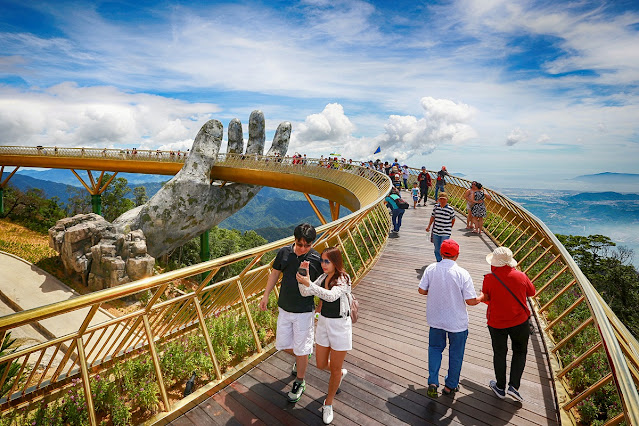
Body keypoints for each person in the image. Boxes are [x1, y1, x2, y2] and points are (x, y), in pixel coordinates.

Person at [259, 223, 322, 403]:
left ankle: (300, 381)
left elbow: (324, 285)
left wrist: (320, 305)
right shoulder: (284, 253)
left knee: (301, 349)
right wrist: (266, 295)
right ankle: (302, 356)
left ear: (312, 243)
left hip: (303, 311)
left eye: (307, 245)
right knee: (283, 344)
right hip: (284, 307)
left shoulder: (316, 259)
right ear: (294, 240)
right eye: (299, 244)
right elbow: (274, 274)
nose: (302, 248)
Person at [297, 246, 352, 424]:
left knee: (334, 369)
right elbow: (305, 292)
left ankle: (328, 403)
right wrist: (303, 275)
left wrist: (309, 283)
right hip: (324, 324)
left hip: (340, 326)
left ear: (336, 262)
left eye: (327, 261)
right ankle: (339, 374)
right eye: (322, 260)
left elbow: (330, 296)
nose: (323, 264)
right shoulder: (322, 277)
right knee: (321, 364)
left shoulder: (343, 278)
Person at [418, 239, 480, 398]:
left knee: (435, 349)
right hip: (456, 322)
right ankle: (450, 386)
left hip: (436, 318)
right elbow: (470, 301)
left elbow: (421, 291)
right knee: (456, 353)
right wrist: (481, 297)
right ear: (457, 255)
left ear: (440, 253)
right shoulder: (463, 273)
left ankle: (432, 382)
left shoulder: (431, 269)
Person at [479, 247, 535, 402]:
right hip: (519, 322)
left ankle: (500, 386)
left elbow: (488, 299)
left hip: (496, 323)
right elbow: (532, 292)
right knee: (520, 352)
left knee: (500, 353)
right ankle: (514, 386)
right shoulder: (521, 276)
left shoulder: (489, 278)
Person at [425, 192, 456, 261]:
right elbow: (433, 217)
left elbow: (453, 219)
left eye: (444, 199)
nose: (442, 201)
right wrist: (429, 226)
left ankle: (444, 262)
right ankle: (439, 261)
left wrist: (449, 228)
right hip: (436, 231)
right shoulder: (436, 207)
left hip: (445, 232)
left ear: (447, 200)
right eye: (441, 199)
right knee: (436, 248)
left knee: (444, 247)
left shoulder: (450, 209)